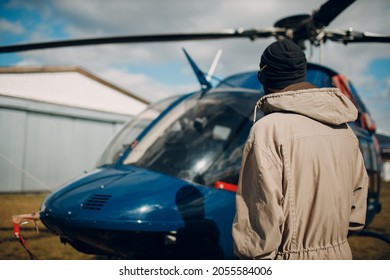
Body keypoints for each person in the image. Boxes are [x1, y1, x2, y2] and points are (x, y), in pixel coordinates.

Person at [232, 39, 368, 260]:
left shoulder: (268, 129)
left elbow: (258, 226)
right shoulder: (346, 131)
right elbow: (356, 210)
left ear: (265, 78)